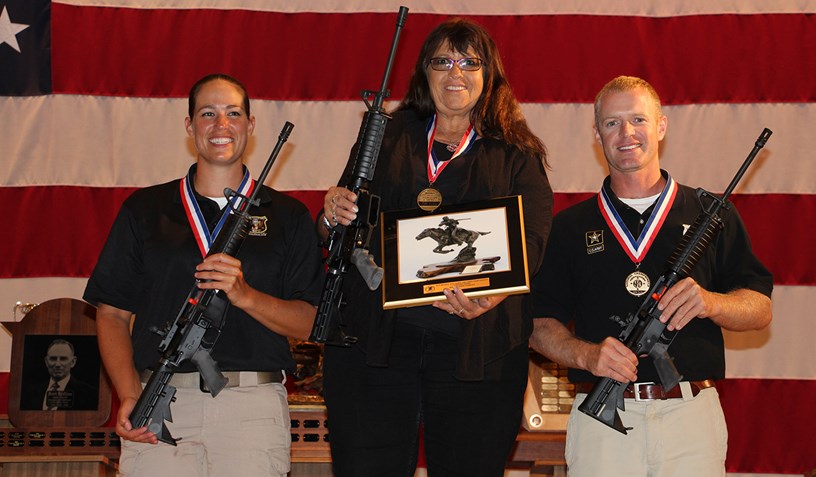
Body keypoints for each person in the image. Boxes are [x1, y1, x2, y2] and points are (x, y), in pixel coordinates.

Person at [320, 18, 553, 476]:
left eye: (470, 62)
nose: (456, 74)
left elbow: (532, 240)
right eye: (442, 61)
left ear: (490, 75)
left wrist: (494, 293)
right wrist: (330, 214)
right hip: (377, 348)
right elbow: (339, 233)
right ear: (424, 72)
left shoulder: (515, 151)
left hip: (478, 349)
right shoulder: (385, 136)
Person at [530, 76, 773, 476]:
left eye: (638, 120)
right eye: (612, 123)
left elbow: (760, 308)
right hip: (603, 422)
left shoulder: (707, 215)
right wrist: (586, 354)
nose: (626, 133)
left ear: (661, 126)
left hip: (689, 416)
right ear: (597, 133)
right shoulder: (570, 227)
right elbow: (537, 323)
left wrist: (711, 302)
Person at [83, 73, 323, 477]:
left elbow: (312, 320)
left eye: (233, 113)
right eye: (207, 113)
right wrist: (128, 394)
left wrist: (245, 295)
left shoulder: (289, 216)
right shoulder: (145, 209)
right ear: (190, 126)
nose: (220, 125)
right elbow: (111, 314)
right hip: (159, 402)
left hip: (251, 407)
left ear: (250, 125)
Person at [20, 338, 98, 411]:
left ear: (73, 362)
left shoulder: (89, 394)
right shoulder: (30, 393)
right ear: (46, 362)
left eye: (63, 359)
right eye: (53, 359)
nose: (57, 364)